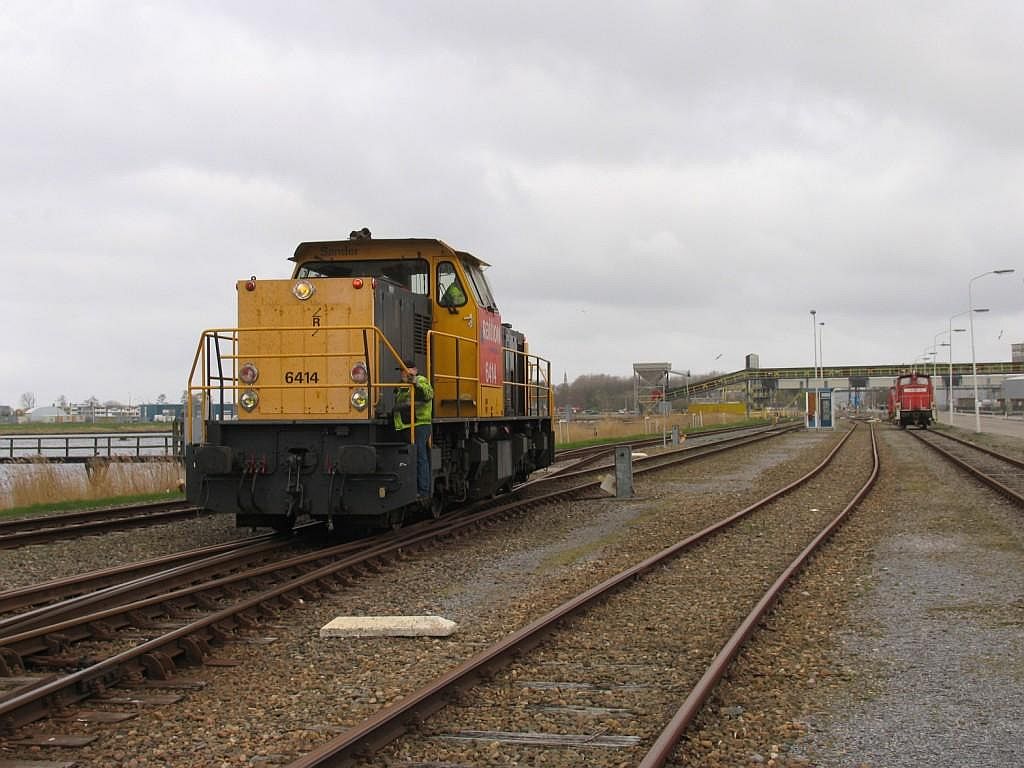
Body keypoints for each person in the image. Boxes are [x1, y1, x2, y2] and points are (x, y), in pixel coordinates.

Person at [393, 360, 434, 499]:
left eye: (406, 370)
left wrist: (415, 382)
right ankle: (411, 487)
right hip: (405, 426)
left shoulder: (421, 380)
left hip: (419, 425)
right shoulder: (401, 385)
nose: (403, 373)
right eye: (401, 370)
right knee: (411, 458)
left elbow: (428, 394)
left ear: (414, 370)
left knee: (420, 456)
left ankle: (423, 490)